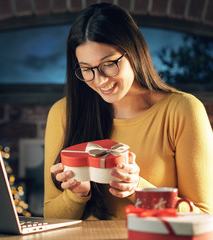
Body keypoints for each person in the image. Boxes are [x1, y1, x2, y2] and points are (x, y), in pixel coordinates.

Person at [44, 3, 213, 220]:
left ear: (133, 51)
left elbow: (204, 218)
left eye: (108, 64)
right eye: (86, 69)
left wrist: (138, 190)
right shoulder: (63, 112)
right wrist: (76, 195)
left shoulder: (181, 110)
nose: (100, 80)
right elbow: (49, 216)